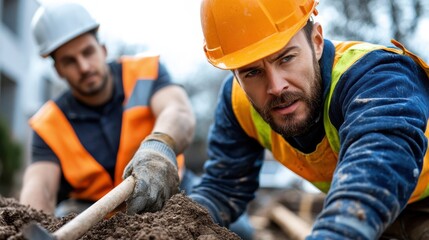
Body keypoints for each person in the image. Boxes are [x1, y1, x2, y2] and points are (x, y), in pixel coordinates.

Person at [190, 0, 429, 239]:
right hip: (374, 218)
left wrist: (337, 231)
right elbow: (223, 188)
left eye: (286, 58)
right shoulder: (237, 103)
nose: (276, 87)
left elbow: (378, 163)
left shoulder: (377, 77)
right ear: (236, 75)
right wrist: (176, 223)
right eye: (252, 72)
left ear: (316, 42)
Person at [19, 1, 196, 217]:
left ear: (102, 50)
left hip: (174, 194)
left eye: (88, 52)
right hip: (103, 219)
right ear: (58, 70)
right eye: (69, 61)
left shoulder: (145, 72)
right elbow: (41, 187)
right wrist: (29, 223)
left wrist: (160, 149)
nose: (84, 67)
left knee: (238, 228)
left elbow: (178, 111)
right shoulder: (48, 124)